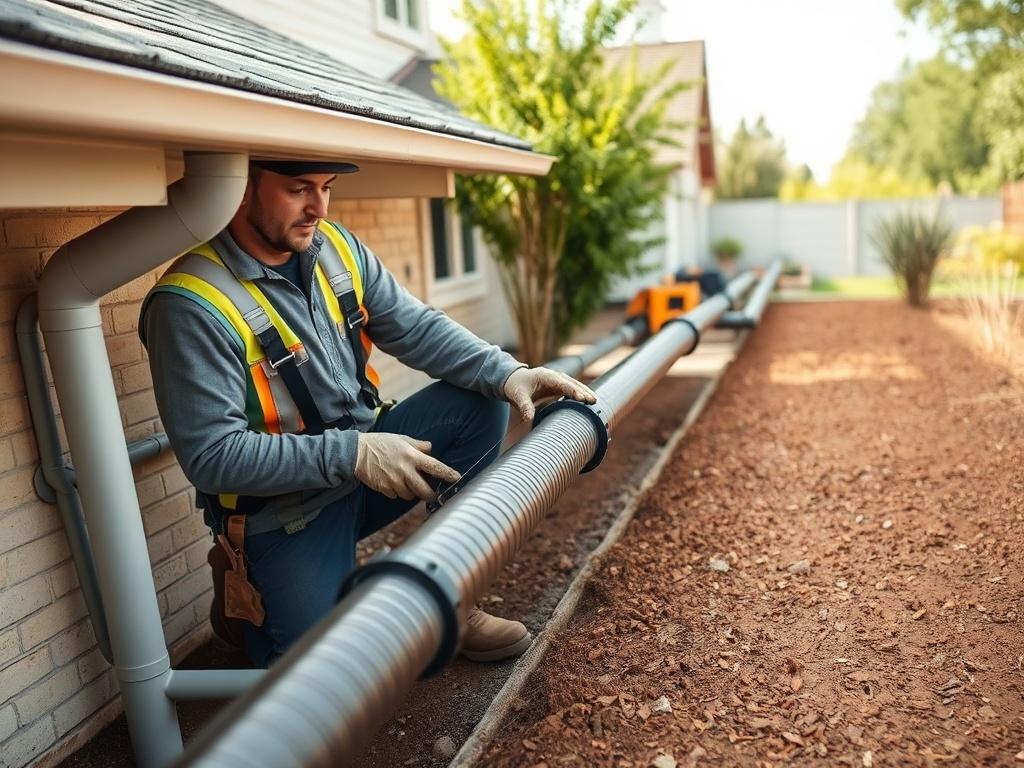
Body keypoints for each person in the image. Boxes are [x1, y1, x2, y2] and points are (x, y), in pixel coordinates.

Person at [140, 159, 596, 668]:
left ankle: (454, 599)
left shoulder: (336, 248)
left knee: (479, 397)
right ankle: (243, 593)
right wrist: (353, 453)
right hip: (285, 513)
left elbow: (416, 328)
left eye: (326, 189)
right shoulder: (191, 304)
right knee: (331, 681)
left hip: (370, 464)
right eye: (298, 190)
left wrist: (509, 373)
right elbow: (213, 458)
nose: (319, 207)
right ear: (239, 190)